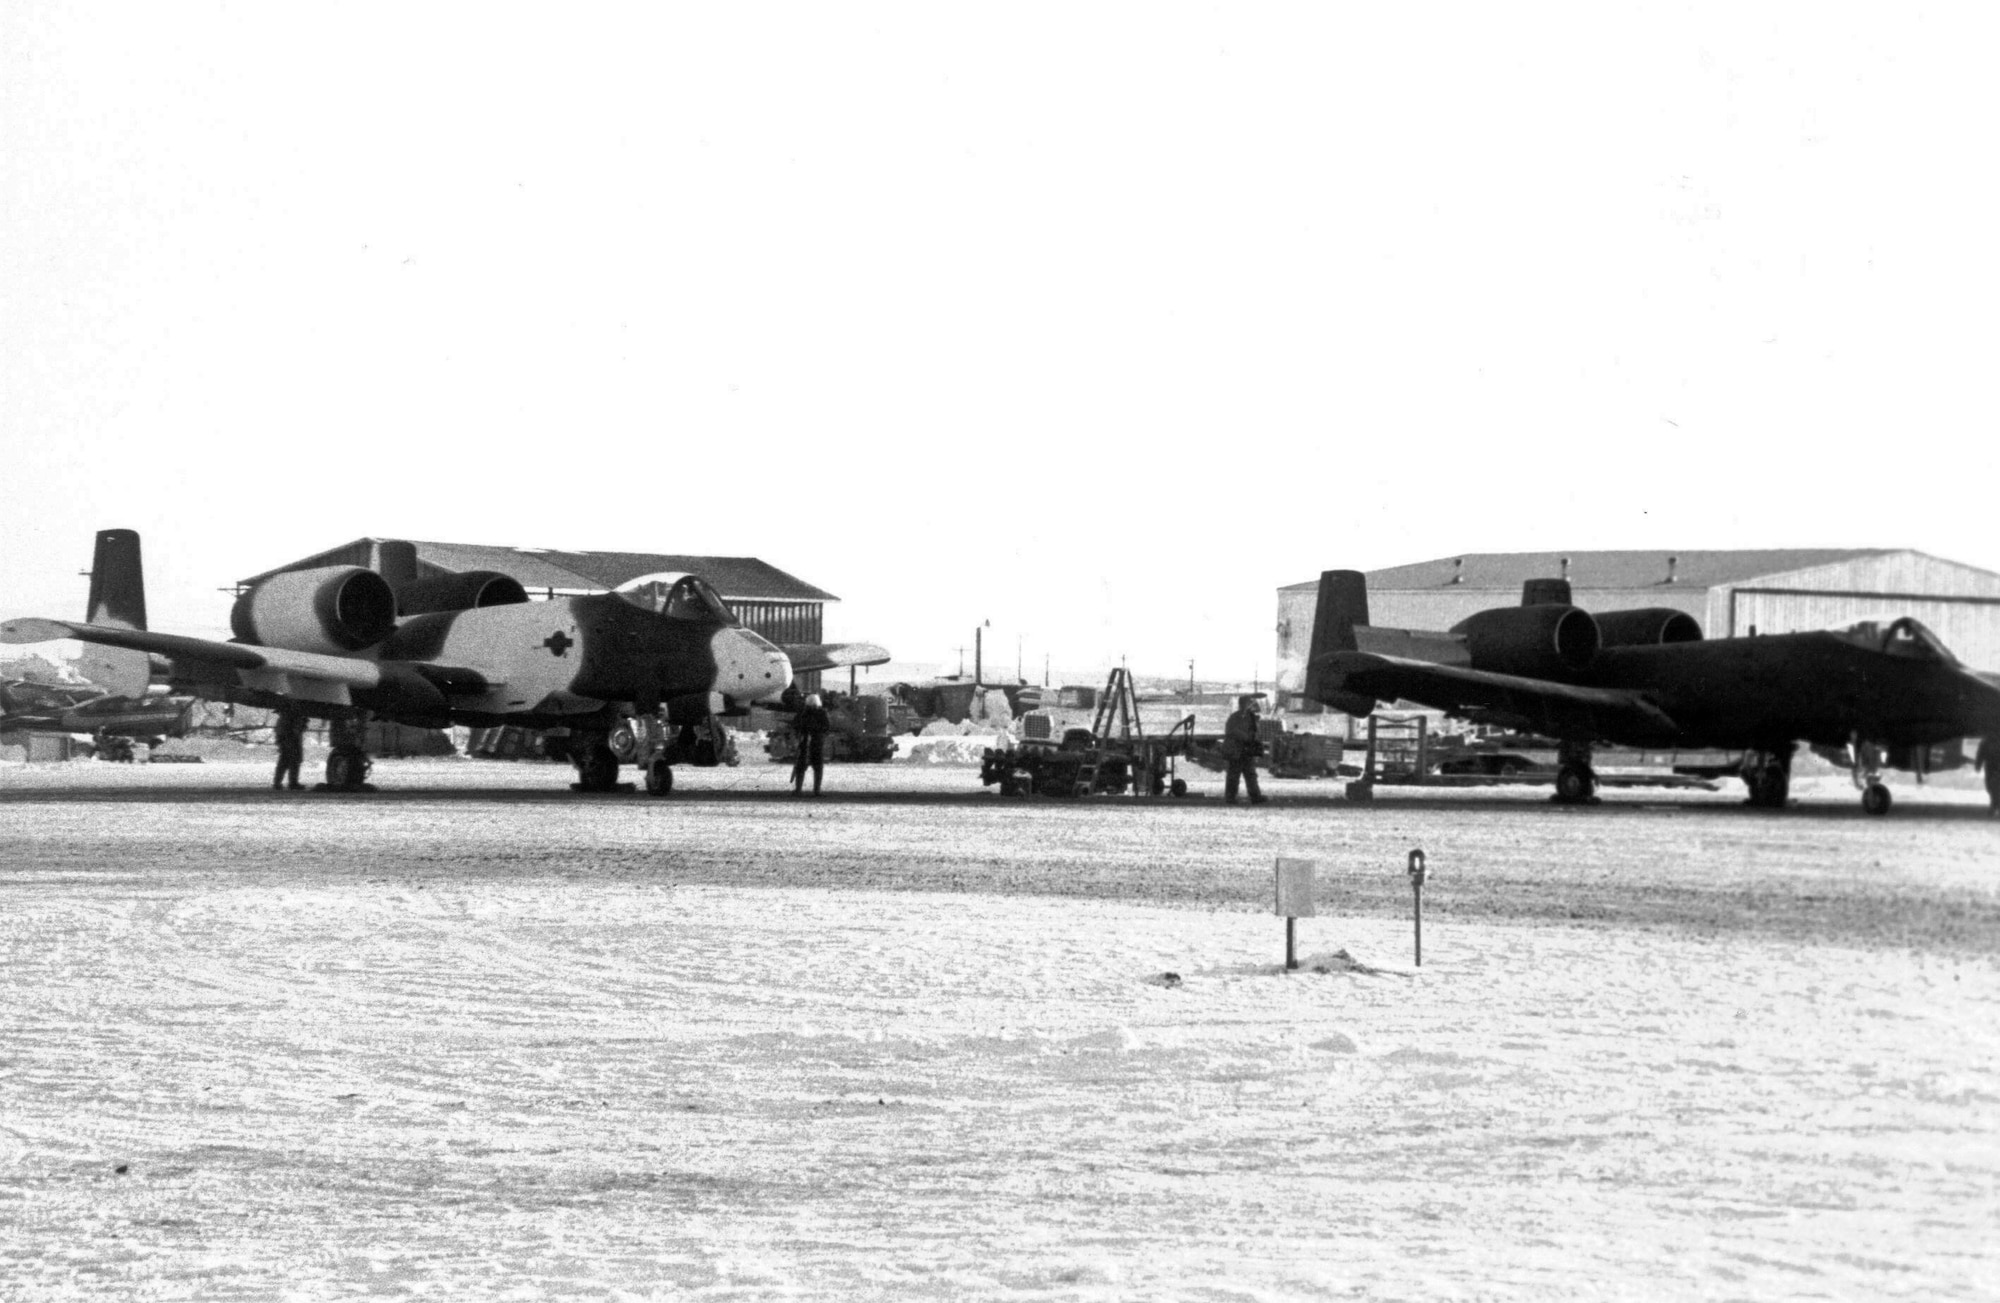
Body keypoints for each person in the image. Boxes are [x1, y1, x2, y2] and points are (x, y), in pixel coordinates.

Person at [1222, 694, 1267, 806]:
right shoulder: (1236, 717)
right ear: (1243, 704)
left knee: (1250, 774)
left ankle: (1255, 796)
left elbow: (1253, 731)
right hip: (1237, 750)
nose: (1251, 705)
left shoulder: (1248, 717)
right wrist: (1247, 737)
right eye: (1249, 703)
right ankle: (1231, 797)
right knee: (1234, 775)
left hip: (1245, 750)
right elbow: (1232, 731)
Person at [792, 693, 832, 795]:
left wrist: (800, 734)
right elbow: (827, 727)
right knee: (818, 768)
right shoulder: (822, 712)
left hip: (804, 743)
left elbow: (795, 725)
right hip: (817, 743)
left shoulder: (802, 712)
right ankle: (816, 790)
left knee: (800, 767)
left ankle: (798, 790)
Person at [273, 708, 307, 791]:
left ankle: (279, 783)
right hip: (290, 742)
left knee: (285, 762)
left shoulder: (283, 720)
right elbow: (296, 730)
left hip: (288, 742)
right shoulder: (287, 720)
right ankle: (291, 783)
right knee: (291, 762)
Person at [1978, 735, 2000, 817]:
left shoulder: (1985, 742)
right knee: (1991, 787)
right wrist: (1978, 764)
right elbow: (1981, 753)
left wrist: (1978, 764)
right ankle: (1994, 805)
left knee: (1993, 787)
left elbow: (1980, 754)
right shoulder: (1985, 742)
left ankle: (1994, 806)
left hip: (1992, 767)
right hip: (1990, 767)